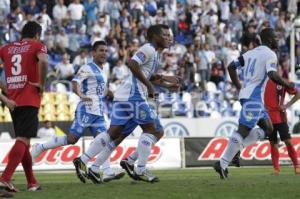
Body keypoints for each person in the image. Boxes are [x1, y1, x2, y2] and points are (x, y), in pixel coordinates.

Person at [73, 24, 180, 183]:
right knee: (155, 130)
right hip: (134, 96)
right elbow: (132, 63)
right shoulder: (149, 48)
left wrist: (165, 83)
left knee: (115, 134)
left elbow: (145, 75)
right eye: (165, 35)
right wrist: (151, 86)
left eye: (169, 35)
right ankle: (139, 168)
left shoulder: (155, 54)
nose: (169, 38)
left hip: (123, 96)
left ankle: (88, 163)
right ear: (155, 36)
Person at [31, 41, 125, 183]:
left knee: (105, 140)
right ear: (93, 53)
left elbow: (103, 90)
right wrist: (82, 95)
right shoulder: (87, 67)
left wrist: (116, 97)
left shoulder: (103, 69)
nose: (104, 53)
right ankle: (40, 147)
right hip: (86, 109)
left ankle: (106, 171)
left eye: (106, 51)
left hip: (98, 111)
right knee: (72, 139)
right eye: (101, 50)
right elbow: (75, 84)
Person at [214, 28, 295, 179]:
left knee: (268, 128)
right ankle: (223, 163)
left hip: (251, 96)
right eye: (276, 38)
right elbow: (272, 74)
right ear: (270, 40)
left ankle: (237, 149)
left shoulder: (250, 52)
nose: (278, 40)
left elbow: (231, 66)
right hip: (254, 97)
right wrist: (287, 84)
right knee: (243, 129)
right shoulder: (270, 54)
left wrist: (239, 86)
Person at [0, 21, 48, 192]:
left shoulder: (6, 48)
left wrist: (3, 89)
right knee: (23, 139)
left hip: (12, 99)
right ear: (37, 34)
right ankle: (5, 177)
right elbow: (43, 62)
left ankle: (32, 182)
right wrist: (42, 84)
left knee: (23, 140)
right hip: (29, 98)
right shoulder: (38, 45)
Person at [264, 71, 300, 175]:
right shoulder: (262, 82)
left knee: (288, 141)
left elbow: (298, 93)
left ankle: (296, 166)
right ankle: (276, 169)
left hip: (280, 117)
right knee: (273, 143)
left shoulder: (283, 82)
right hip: (267, 118)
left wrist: (287, 105)